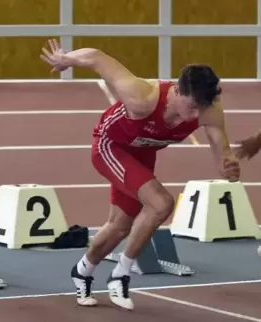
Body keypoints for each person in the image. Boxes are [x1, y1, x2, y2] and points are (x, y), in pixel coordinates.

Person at [40, 39, 240, 310]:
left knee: (120, 226)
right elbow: (98, 57)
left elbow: (221, 148)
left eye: (201, 109)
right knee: (162, 203)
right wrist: (66, 59)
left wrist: (228, 164)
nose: (194, 116)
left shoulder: (208, 109)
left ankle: (83, 270)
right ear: (177, 91)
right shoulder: (142, 95)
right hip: (110, 146)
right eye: (191, 107)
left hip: (142, 154)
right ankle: (121, 273)